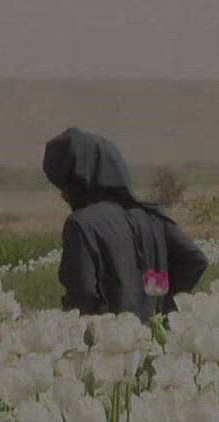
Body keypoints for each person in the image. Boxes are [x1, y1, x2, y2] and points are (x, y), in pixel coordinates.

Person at [42, 127, 208, 319]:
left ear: (83, 180)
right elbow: (195, 261)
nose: (64, 196)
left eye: (67, 186)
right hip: (153, 332)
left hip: (107, 335)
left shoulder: (82, 224)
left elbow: (83, 294)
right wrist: (160, 302)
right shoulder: (153, 218)